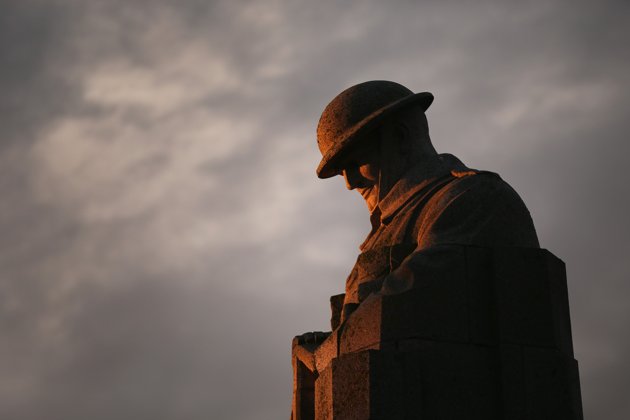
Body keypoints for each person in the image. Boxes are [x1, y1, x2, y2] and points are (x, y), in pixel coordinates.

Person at [315, 80, 540, 322]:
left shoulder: (475, 197)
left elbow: (420, 294)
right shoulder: (380, 234)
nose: (349, 183)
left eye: (355, 162)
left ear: (400, 136)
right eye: (341, 173)